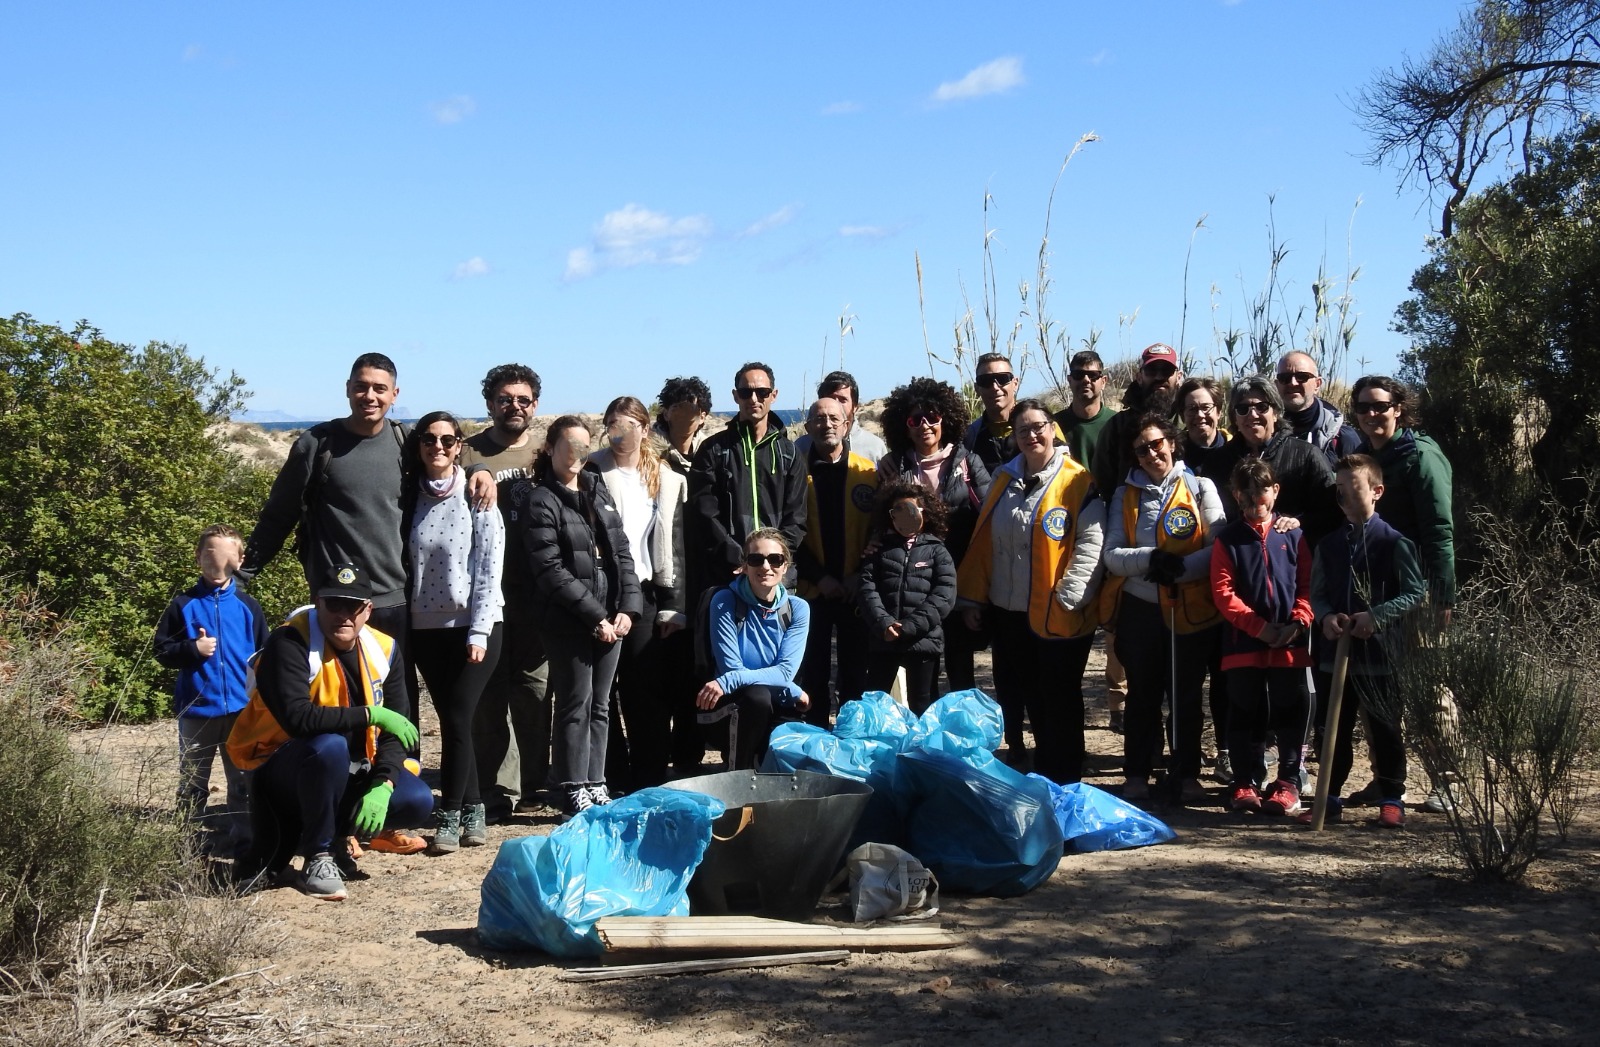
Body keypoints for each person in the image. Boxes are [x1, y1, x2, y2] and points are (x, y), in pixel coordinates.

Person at [240, 354, 495, 654]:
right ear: (348, 388)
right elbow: (277, 517)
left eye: (379, 388)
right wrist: (239, 579)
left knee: (394, 686)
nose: (369, 396)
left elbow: (444, 461)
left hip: (395, 602)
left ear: (394, 394)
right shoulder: (317, 444)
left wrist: (479, 470)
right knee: (333, 684)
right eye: (361, 387)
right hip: (335, 602)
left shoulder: (405, 442)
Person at [227, 563, 431, 901]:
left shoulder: (384, 649)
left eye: (353, 606)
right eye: (334, 604)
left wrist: (384, 783)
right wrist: (370, 714)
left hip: (348, 768)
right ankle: (318, 856)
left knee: (416, 800)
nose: (343, 615)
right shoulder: (289, 641)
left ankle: (338, 839)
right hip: (280, 767)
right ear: (318, 603)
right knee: (330, 747)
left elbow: (397, 731)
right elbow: (298, 718)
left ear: (368, 610)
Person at [957, 398, 1105, 783]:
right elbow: (985, 540)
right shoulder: (1003, 479)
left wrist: (1070, 595)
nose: (1031, 435)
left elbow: (1091, 543)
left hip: (1060, 608)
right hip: (1010, 610)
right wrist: (975, 597)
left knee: (1061, 694)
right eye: (1022, 430)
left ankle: (1067, 772)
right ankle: (1045, 770)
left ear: (1052, 429)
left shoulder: (1077, 480)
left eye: (1038, 427)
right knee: (1030, 692)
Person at [516, 416, 641, 817]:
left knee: (601, 704)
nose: (576, 453)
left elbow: (622, 553)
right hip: (567, 620)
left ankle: (595, 780)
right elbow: (550, 569)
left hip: (611, 615)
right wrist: (594, 617)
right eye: (568, 445)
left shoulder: (597, 490)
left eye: (584, 446)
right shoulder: (541, 500)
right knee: (575, 702)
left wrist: (628, 608)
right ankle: (571, 785)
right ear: (550, 448)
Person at [1101, 415, 1226, 804]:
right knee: (1142, 694)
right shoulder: (1125, 496)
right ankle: (1137, 772)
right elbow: (1112, 555)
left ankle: (1186, 773)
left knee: (1186, 695)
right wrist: (1151, 559)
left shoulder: (1201, 487)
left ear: (1172, 443)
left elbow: (1219, 546)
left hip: (1190, 609)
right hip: (1140, 609)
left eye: (1157, 444)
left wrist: (1181, 569)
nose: (1151, 454)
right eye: (1142, 450)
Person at [1349, 374, 1457, 812]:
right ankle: (1387, 780)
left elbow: (1439, 529)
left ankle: (1449, 782)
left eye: (1380, 406)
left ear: (1399, 409)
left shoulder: (1421, 456)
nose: (1371, 414)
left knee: (1429, 687)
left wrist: (1443, 595)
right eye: (1363, 407)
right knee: (1377, 688)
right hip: (1375, 592)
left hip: (1419, 591)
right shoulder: (1365, 456)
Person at [403, 412, 504, 854]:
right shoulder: (409, 496)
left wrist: (479, 632)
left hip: (476, 626)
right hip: (425, 629)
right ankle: (474, 807)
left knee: (459, 718)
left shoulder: (477, 494)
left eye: (447, 439)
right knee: (451, 720)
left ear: (459, 445)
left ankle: (450, 812)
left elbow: (489, 569)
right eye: (429, 439)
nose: (438, 447)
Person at [1306, 454, 1426, 828]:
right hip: (1334, 656)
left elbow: (1414, 592)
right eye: (1338, 488)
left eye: (1352, 487)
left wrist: (1376, 617)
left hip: (1380, 655)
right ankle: (1329, 796)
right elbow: (1317, 593)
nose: (1343, 496)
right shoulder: (1329, 545)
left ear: (1377, 491)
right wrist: (1327, 617)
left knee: (1385, 729)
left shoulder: (1394, 543)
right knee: (1332, 729)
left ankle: (1391, 798)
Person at [461, 363, 550, 819]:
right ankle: (498, 790)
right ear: (490, 403)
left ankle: (536, 782)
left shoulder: (546, 451)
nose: (514, 406)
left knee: (535, 692)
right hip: (483, 594)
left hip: (537, 593)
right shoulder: (466, 452)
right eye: (504, 399)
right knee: (490, 695)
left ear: (535, 404)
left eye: (523, 399)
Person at [153, 524, 270, 859]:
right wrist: (193, 649)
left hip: (241, 711)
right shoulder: (183, 604)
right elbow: (162, 651)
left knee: (243, 781)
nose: (215, 562)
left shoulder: (248, 606)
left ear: (239, 560)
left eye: (224, 555)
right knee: (192, 782)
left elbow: (265, 655)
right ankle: (186, 843)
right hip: (197, 710)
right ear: (198, 558)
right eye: (208, 554)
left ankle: (246, 842)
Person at [589, 395, 686, 789]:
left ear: (645, 429)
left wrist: (673, 606)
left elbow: (674, 545)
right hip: (599, 592)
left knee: (645, 691)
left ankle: (649, 778)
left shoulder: (665, 477)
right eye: (613, 424)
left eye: (629, 424)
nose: (620, 432)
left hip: (644, 594)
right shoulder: (591, 471)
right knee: (600, 694)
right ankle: (611, 776)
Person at [1210, 460, 1315, 817]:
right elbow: (1223, 593)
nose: (1257, 499)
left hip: (1290, 641)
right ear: (1236, 495)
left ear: (1276, 491)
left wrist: (1298, 621)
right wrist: (1258, 628)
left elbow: (1307, 584)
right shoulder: (1228, 539)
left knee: (1290, 712)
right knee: (1243, 711)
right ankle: (1244, 781)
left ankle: (1288, 783)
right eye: (1248, 492)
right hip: (1244, 643)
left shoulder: (1293, 535)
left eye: (1263, 490)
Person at [878, 376, 992, 691]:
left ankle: (961, 722)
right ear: (904, 426)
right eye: (915, 419)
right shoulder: (895, 467)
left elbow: (988, 519)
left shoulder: (968, 462)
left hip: (959, 575)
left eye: (932, 417)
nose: (924, 425)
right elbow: (883, 523)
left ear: (946, 419)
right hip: (914, 584)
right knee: (921, 670)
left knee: (960, 668)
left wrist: (974, 594)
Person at [686, 361, 808, 608]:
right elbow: (704, 514)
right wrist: (741, 559)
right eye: (746, 392)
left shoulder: (789, 453)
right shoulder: (713, 450)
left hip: (777, 578)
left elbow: (797, 518)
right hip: (726, 575)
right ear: (735, 396)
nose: (754, 399)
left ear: (773, 395)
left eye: (762, 392)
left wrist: (769, 560)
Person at [695, 529, 812, 770]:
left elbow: (785, 672)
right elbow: (731, 669)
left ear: (785, 566)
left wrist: (788, 686)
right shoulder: (725, 600)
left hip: (775, 703)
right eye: (756, 559)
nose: (766, 567)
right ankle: (738, 774)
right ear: (744, 567)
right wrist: (792, 689)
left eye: (775, 559)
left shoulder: (798, 609)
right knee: (757, 697)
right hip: (728, 706)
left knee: (786, 761)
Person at [795, 397, 878, 725]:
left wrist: (859, 575)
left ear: (847, 425)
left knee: (855, 672)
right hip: (812, 590)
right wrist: (819, 577)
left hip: (855, 590)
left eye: (834, 418)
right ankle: (816, 732)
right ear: (807, 427)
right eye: (819, 418)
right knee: (813, 672)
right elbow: (790, 534)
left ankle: (851, 733)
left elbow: (879, 532)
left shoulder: (867, 473)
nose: (826, 424)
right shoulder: (795, 472)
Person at [651, 375, 714, 776]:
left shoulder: (709, 454)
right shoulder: (649, 456)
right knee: (662, 676)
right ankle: (656, 761)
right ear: (666, 411)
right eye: (680, 406)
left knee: (696, 671)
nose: (689, 413)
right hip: (661, 580)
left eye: (696, 407)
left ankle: (689, 757)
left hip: (702, 578)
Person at [857, 482, 958, 715]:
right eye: (897, 512)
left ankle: (921, 740)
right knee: (875, 702)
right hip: (884, 640)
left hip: (923, 641)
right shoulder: (878, 550)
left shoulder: (938, 551)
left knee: (923, 704)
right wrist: (884, 623)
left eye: (911, 511)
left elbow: (944, 595)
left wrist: (910, 626)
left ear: (925, 513)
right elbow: (866, 588)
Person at [1176, 375, 1233, 781]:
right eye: (1192, 408)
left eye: (1207, 407)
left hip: (1233, 580)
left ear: (1219, 410)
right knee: (1186, 679)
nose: (1200, 415)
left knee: (1227, 676)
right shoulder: (1171, 453)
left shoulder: (1235, 453)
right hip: (1186, 583)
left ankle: (1228, 751)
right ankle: (1185, 758)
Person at [1207, 376, 1341, 546]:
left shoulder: (1307, 455)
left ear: (1276, 412)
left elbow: (1333, 510)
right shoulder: (1218, 461)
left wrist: (1299, 522)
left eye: (1261, 407)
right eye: (1243, 409)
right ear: (1234, 417)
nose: (1252, 415)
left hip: (1295, 555)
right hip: (1236, 555)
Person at [1090, 344, 1186, 505]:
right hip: (1128, 513)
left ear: (1179, 376)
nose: (1159, 377)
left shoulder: (1189, 421)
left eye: (1166, 371)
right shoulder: (1116, 426)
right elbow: (1103, 483)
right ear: (1139, 377)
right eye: (1151, 371)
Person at [1275, 351, 1361, 466]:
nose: (1293, 383)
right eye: (1284, 378)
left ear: (1317, 384)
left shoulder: (1341, 436)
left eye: (1302, 377)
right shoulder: (1265, 432)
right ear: (1276, 385)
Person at [793, 370, 887, 462]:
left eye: (843, 400)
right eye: (831, 398)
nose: (836, 404)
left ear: (855, 406)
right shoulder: (801, 447)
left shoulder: (875, 447)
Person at [1053, 349, 1116, 474]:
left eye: (1093, 375)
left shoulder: (1117, 423)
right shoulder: (1053, 426)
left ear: (1103, 381)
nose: (1086, 380)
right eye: (1078, 375)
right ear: (1070, 380)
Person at [653, 375, 713, 475]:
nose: (684, 415)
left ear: (702, 417)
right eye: (677, 408)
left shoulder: (710, 453)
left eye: (691, 409)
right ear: (666, 414)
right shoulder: (650, 453)